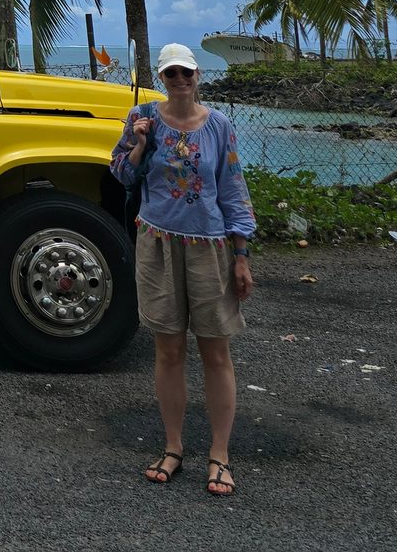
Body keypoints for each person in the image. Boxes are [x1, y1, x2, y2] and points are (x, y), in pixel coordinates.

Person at [110, 43, 256, 497]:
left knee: (216, 353)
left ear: (197, 76)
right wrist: (136, 142)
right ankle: (173, 447)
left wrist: (241, 254)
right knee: (168, 351)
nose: (179, 80)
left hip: (209, 247)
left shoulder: (219, 127)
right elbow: (120, 176)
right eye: (171, 74)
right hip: (157, 243)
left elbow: (232, 188)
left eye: (186, 73)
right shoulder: (143, 118)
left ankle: (220, 454)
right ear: (162, 77)